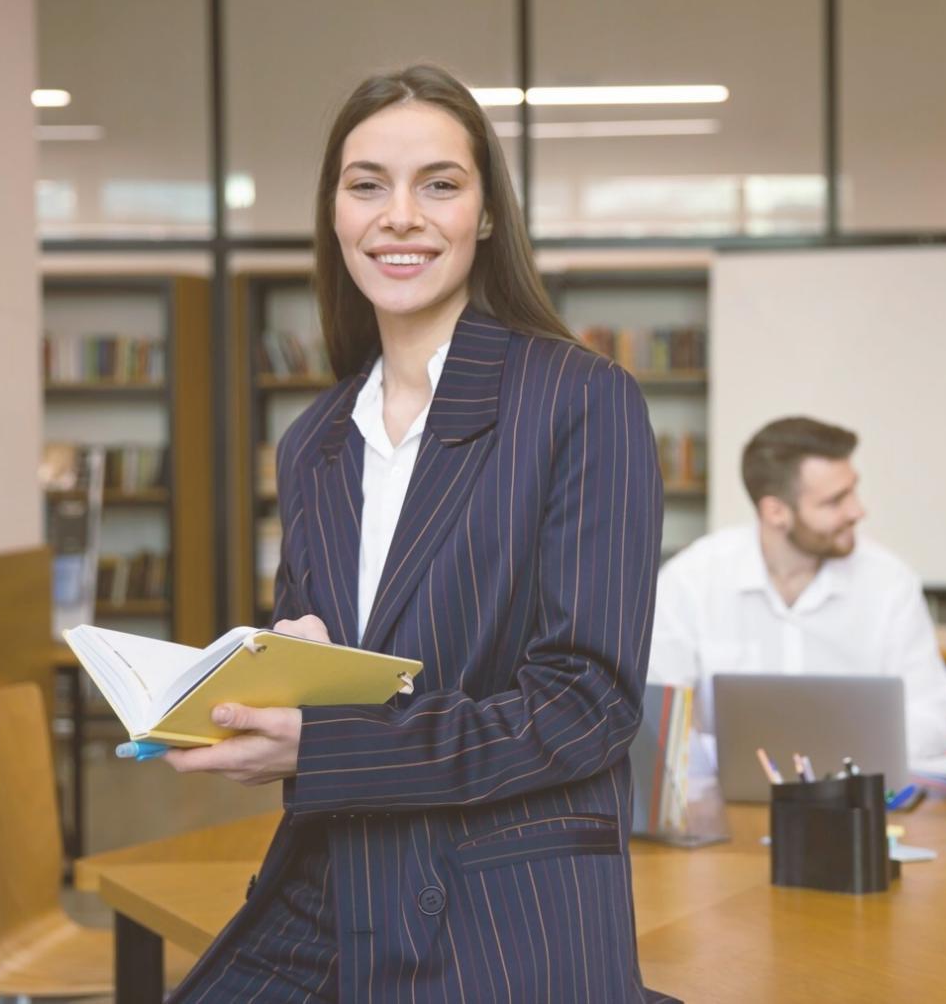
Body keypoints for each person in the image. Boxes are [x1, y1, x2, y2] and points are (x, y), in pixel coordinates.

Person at [161, 64, 671, 1003]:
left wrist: (323, 744)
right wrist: (280, 674)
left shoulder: (580, 399)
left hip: (507, 905)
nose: (400, 215)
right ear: (335, 215)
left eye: (439, 183)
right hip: (337, 878)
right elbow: (338, 677)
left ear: (484, 216)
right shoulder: (315, 439)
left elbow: (587, 703)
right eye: (367, 185)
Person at [647, 416, 946, 767]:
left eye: (853, 490)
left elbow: (934, 721)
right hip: (721, 804)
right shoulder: (692, 579)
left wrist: (846, 757)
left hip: (856, 799)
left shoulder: (890, 583)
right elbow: (658, 717)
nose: (858, 510)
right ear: (776, 512)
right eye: (835, 500)